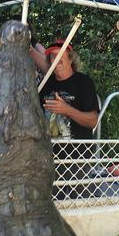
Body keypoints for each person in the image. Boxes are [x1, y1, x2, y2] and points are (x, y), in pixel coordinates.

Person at [38, 39, 99, 199]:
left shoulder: (83, 82)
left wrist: (67, 110)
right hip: (49, 159)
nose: (56, 60)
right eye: (52, 57)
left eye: (60, 56)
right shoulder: (45, 84)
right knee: (49, 205)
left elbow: (93, 120)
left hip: (78, 159)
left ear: (71, 58)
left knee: (82, 207)